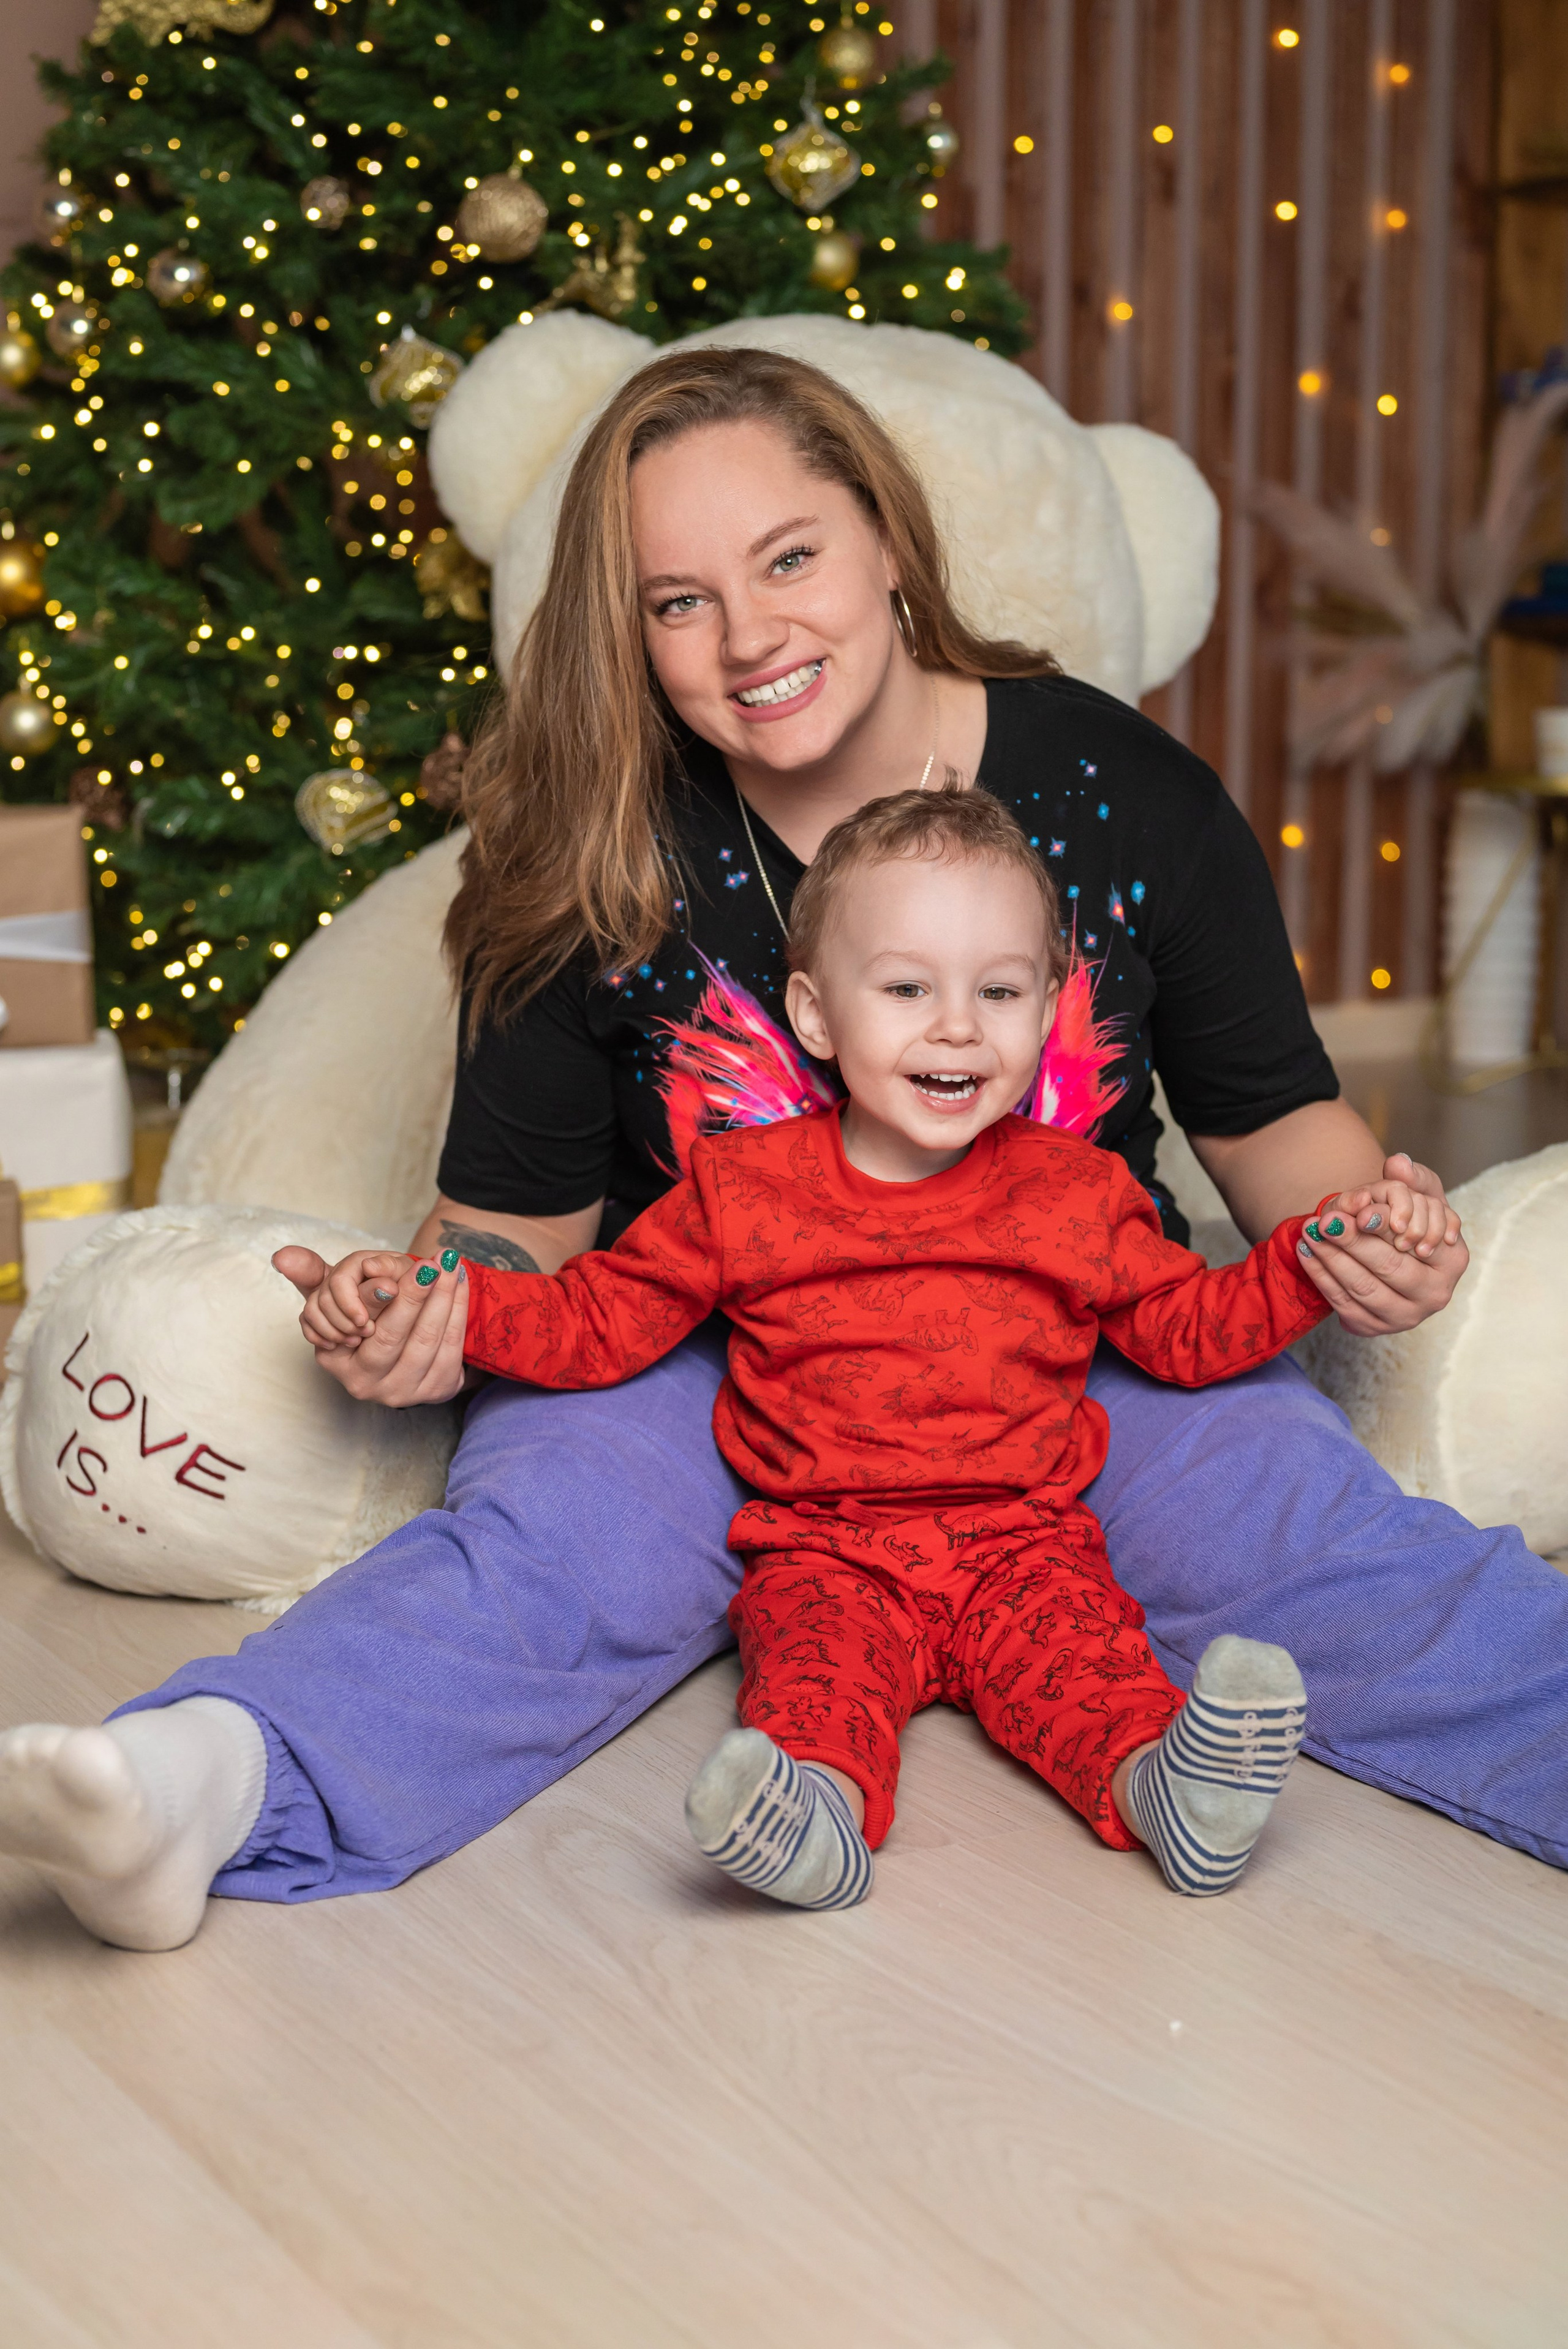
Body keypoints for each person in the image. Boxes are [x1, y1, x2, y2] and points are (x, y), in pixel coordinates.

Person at [0, 345, 1562, 1954]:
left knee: (1330, 1545)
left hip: (1077, 1340)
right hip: (709, 1353)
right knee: (547, 1554)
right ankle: (204, 1779)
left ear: (887, 538)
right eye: (678, 601)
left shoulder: (1122, 787)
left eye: (790, 558)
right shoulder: (597, 844)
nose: (748, 638)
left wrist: (1364, 1229)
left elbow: (1275, 1127)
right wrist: (430, 1311)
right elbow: (506, 1231)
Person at [304, 787, 1458, 1910]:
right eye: (907, 987)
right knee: (812, 1698)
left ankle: (1177, 1795)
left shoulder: (1080, 1193)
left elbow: (1190, 1332)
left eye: (1000, 991)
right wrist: (438, 1300)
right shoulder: (743, 1190)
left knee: (1099, 1682)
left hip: (1028, 1544)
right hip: (828, 1553)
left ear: (1049, 1005)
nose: (957, 1025)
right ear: (816, 1015)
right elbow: (600, 1318)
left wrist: (1317, 1251)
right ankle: (814, 1828)